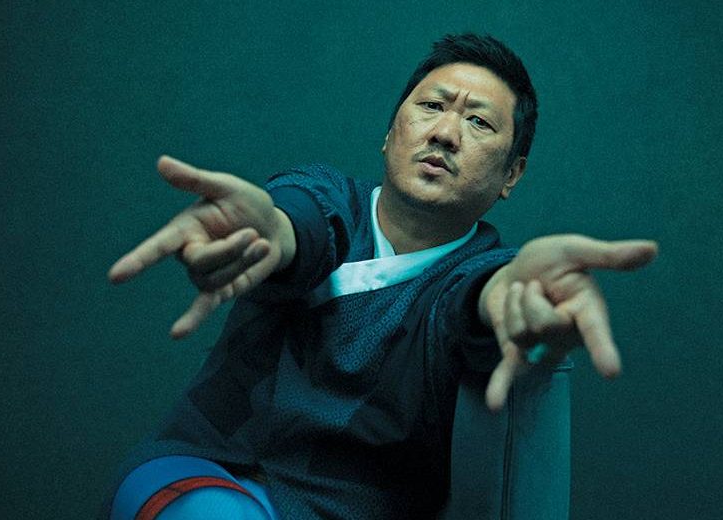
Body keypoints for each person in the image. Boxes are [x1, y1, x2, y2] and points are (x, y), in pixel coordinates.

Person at [103, 33, 657, 519]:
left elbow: (475, 300)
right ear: (390, 133)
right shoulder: (324, 200)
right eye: (431, 106)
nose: (445, 133)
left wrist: (512, 302)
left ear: (511, 174)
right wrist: (269, 230)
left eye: (478, 122)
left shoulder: (477, 273)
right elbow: (301, 226)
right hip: (201, 473)